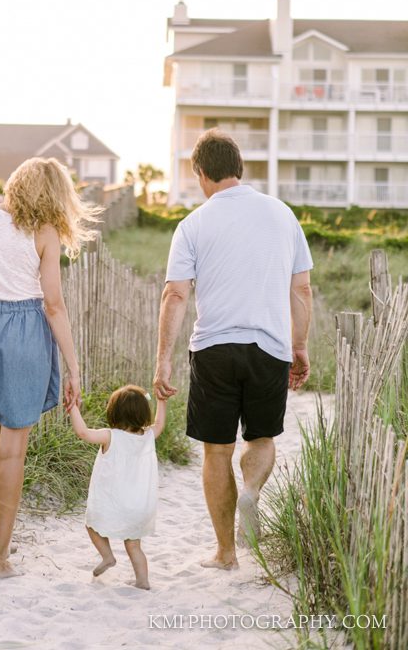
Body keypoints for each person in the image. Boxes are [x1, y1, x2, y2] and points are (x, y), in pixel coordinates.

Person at [153, 129, 313, 571]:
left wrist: (163, 358)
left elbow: (175, 295)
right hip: (270, 347)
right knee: (261, 438)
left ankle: (225, 553)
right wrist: (298, 346)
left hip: (214, 349)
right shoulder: (283, 215)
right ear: (239, 170)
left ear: (201, 174)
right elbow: (302, 288)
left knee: (216, 451)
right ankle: (251, 492)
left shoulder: (193, 225)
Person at [0, 156, 102, 578]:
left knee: (0, 434)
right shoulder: (43, 231)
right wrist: (73, 366)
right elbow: (53, 304)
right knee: (14, 448)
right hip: (23, 333)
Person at [68, 384, 167, 590]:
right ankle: (142, 581)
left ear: (114, 412)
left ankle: (107, 556)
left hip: (114, 503)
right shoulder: (148, 436)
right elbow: (159, 423)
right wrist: (161, 401)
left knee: (92, 525)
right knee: (133, 544)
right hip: (140, 506)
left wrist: (72, 408)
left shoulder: (110, 436)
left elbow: (83, 433)